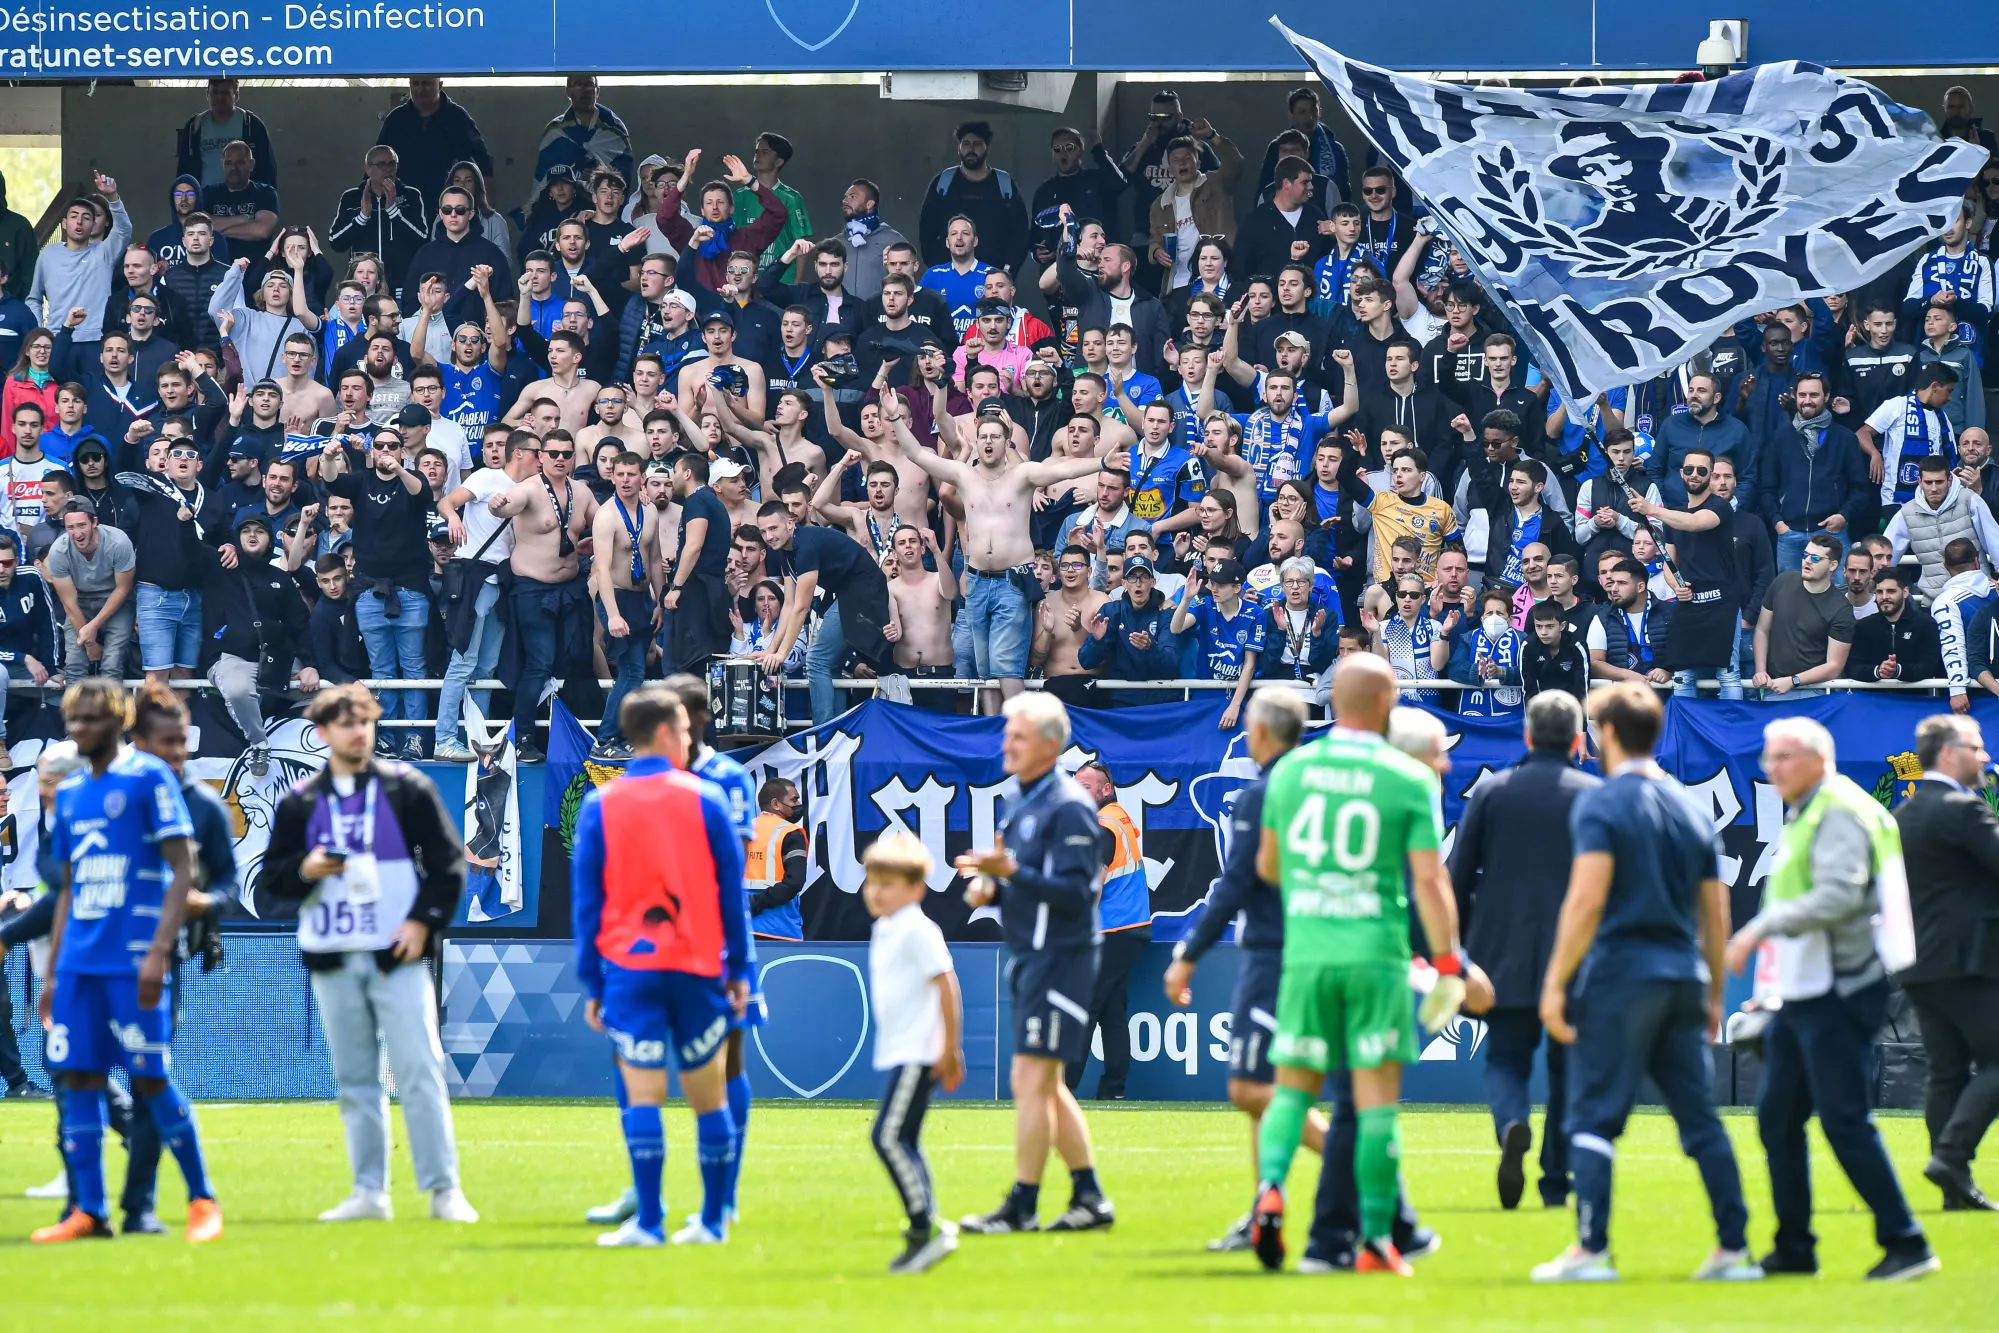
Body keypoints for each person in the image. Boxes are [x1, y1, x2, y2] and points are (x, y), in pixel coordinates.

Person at [1246, 653, 1465, 1275]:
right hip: (1375, 956)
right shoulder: (1407, 778)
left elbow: (1266, 867)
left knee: (1291, 1092)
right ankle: (1374, 1240)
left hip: (1307, 952)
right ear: (1386, 701)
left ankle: (1271, 1188)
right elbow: (1429, 881)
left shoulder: (1292, 771)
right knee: (1375, 1108)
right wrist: (1447, 963)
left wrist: (1320, 886)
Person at [1532, 683, 1757, 1283]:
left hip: (1621, 975)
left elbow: (1584, 903)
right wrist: (1713, 995)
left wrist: (1554, 983)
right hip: (1682, 974)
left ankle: (1591, 1250)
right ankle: (1735, 1251)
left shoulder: (1603, 805)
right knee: (1700, 1120)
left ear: (1605, 734)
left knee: (1594, 1119)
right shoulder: (1688, 807)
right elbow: (1716, 913)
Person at [1720, 718, 1937, 1280]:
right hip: (1809, 988)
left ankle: (1907, 1241)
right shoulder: (1815, 807)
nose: (1771, 768)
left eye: (1783, 757)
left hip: (1839, 988)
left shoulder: (1837, 809)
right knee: (1778, 1117)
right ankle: (1794, 1248)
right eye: (1769, 758)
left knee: (1842, 1119)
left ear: (1818, 758)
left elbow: (1840, 896)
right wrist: (1771, 994)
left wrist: (1757, 930)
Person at [257, 683, 476, 1225]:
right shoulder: (301, 802)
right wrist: (306, 869)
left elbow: (450, 865)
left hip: (394, 953)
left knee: (420, 1068)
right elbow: (271, 882)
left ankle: (444, 1189)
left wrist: (423, 923)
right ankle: (369, 1191)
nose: (358, 732)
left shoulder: (408, 789)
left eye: (365, 722)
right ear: (323, 732)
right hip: (333, 953)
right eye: (346, 723)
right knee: (355, 1077)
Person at [29, 678, 220, 1245]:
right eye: (72, 722)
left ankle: (202, 1200)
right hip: (80, 965)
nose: (77, 730)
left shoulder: (149, 777)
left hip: (133, 957)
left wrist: (159, 950)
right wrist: (52, 972)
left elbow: (183, 867)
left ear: (116, 722)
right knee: (78, 1076)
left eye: (88, 720)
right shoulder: (68, 795)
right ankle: (89, 1211)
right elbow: (66, 891)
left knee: (151, 1077)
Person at [570, 685, 748, 1246]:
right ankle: (714, 1223)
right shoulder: (707, 799)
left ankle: (649, 1223)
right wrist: (739, 968)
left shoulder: (602, 804)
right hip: (698, 966)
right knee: (709, 1097)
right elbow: (730, 895)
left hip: (630, 969)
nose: (693, 739)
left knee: (642, 1095)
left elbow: (588, 903)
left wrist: (591, 979)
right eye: (687, 731)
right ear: (669, 733)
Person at [1166, 688, 1334, 1252]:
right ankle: (1267, 1204)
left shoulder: (1267, 793)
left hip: (1274, 953)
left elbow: (1236, 883)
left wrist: (1188, 954)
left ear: (1260, 733)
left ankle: (1359, 1175)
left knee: (1252, 1088)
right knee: (1277, 1088)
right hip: (1316, 948)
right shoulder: (1316, 788)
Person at [958, 693, 1113, 1235]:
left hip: (1060, 957)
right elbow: (1030, 886)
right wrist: (993, 892)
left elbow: (1077, 895)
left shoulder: (1068, 806)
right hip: (1033, 955)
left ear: (1051, 745)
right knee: (1046, 1085)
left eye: (1018, 736)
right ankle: (1089, 1197)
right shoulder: (1024, 801)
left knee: (1031, 1079)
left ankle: (1022, 1205)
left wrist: (1010, 876)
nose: (1006, 744)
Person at [1450, 691, 1596, 1210]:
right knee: (1566, 1071)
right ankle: (1556, 1182)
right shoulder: (1592, 795)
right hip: (1573, 958)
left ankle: (1511, 1121)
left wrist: (1457, 956)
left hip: (1500, 954)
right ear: (1578, 739)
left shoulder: (1494, 793)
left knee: (1505, 1058)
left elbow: (1458, 877)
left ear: (1527, 735)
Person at [1894, 714, 1999, 1213]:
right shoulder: (1962, 810)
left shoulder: (1902, 815)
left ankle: (1953, 1184)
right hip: (1970, 961)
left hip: (1918, 962)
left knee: (1947, 1072)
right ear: (1947, 752)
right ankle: (1952, 1158)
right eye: (1976, 747)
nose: (1985, 757)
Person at [863, 830, 965, 1273]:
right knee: (904, 1138)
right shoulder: (886, 928)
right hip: (904, 1049)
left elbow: (946, 984)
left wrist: (951, 1048)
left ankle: (924, 1226)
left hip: (919, 1051)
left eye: (888, 884)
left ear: (916, 888)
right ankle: (926, 1226)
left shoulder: (918, 929)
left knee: (886, 1137)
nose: (877, 892)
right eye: (872, 883)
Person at [493, 428, 600, 762]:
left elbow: (609, 523)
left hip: (570, 588)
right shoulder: (528, 489)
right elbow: (507, 507)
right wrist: (499, 505)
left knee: (577, 660)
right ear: (541, 457)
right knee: (539, 663)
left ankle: (577, 736)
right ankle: (524, 738)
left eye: (567, 454)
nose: (560, 459)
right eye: (553, 453)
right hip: (532, 591)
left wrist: (631, 502)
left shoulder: (581, 492)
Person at [1065, 762, 1150, 1101]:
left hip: (1113, 929)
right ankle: (1113, 1090)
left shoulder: (1103, 826)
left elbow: (1094, 885)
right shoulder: (1119, 817)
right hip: (1130, 927)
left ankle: (1064, 1088)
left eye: (1084, 787)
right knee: (1112, 1013)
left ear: (1104, 789)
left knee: (1085, 1007)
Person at [589, 451, 663, 760]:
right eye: (619, 474)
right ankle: (605, 738)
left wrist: (659, 600)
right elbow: (602, 568)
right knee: (630, 671)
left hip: (641, 597)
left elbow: (655, 558)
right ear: (612, 477)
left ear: (641, 477)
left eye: (631, 474)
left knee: (637, 671)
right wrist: (613, 615)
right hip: (615, 596)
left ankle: (623, 736)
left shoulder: (651, 512)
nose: (625, 480)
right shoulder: (607, 516)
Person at [1753, 533, 1856, 697]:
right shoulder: (1782, 582)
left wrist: (1793, 680)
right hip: (1774, 686)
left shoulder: (1841, 608)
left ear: (1833, 565)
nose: (1807, 561)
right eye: (1805, 555)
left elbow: (1834, 666)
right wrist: (1760, 671)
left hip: (1814, 691)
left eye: (1815, 558)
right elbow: (1761, 629)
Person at [45, 496, 135, 684]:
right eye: (71, 527)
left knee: (112, 664)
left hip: (115, 601)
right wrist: (90, 644)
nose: (77, 533)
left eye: (81, 525)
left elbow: (123, 588)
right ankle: (74, 713)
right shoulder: (58, 551)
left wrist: (93, 627)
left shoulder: (118, 542)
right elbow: (69, 603)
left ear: (94, 522)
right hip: (80, 603)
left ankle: (112, 712)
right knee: (74, 666)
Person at [1846, 565, 1943, 682]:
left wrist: (1898, 670)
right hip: (1872, 698)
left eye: (1891, 591)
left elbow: (1930, 665)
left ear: (1905, 592)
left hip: (1914, 698)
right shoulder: (1864, 626)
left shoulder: (1926, 624)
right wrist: (1877, 671)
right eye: (1880, 592)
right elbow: (1853, 667)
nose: (1884, 597)